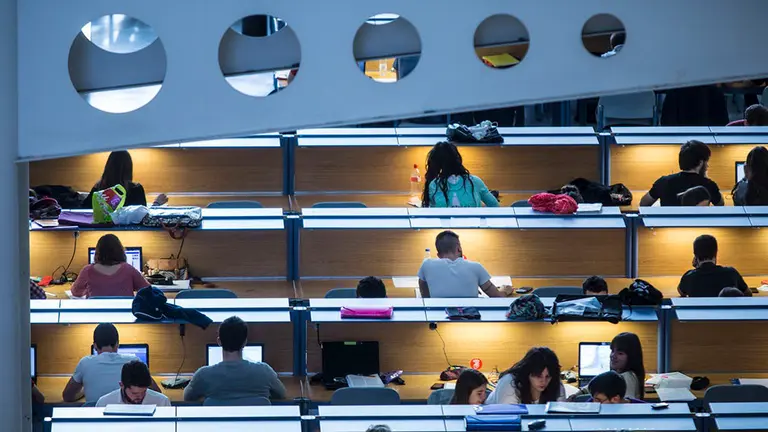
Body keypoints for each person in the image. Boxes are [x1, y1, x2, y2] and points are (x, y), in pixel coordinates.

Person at [184, 316, 286, 402]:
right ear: (245, 342)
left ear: (219, 341)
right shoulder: (265, 371)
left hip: (219, 425)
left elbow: (187, 398)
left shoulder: (203, 375)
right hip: (256, 425)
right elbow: (282, 395)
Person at [62, 323, 161, 404]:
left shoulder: (85, 363)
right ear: (117, 344)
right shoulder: (134, 361)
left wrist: (84, 391)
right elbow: (157, 393)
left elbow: (68, 396)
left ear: (95, 346)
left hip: (98, 421)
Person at [417, 231, 504, 298]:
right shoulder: (476, 267)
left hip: (439, 317)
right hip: (471, 319)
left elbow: (425, 296)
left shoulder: (427, 265)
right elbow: (497, 297)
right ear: (459, 248)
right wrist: (505, 291)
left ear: (438, 255)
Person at [639, 140, 723, 206]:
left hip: (669, 226)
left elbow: (643, 204)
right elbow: (720, 204)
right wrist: (705, 179)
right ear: (701, 163)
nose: (707, 165)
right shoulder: (708, 185)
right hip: (698, 227)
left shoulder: (663, 181)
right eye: (706, 162)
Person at [422, 141, 499, 208]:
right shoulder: (475, 181)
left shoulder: (434, 185)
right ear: (458, 159)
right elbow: (495, 206)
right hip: (474, 224)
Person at [70, 234, 150, 298]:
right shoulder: (128, 269)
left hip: (96, 315)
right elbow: (148, 290)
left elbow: (75, 292)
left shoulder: (87, 270)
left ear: (98, 252)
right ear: (120, 251)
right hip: (124, 315)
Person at [81, 150, 168, 209]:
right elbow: (143, 217)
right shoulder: (135, 189)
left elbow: (83, 211)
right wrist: (156, 204)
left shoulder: (98, 188)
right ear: (129, 168)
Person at [485, 347, 565, 404]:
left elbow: (560, 417)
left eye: (548, 376)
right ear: (527, 373)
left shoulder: (556, 383)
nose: (543, 381)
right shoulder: (509, 383)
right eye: (538, 376)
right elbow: (509, 420)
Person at [678, 234, 750, 297]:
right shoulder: (731, 272)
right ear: (716, 252)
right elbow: (748, 293)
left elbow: (681, 292)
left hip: (699, 313)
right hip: (725, 312)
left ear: (695, 256)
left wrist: (697, 268)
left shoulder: (689, 276)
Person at [96, 360, 171, 406]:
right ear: (122, 385)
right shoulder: (104, 403)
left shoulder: (162, 402)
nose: (141, 397)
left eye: (144, 391)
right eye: (134, 393)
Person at [609, 332, 645, 399]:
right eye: (612, 351)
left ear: (632, 357)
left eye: (620, 353)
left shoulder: (627, 377)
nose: (613, 356)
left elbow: (626, 406)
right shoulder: (620, 376)